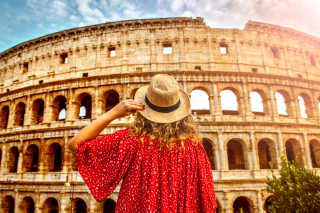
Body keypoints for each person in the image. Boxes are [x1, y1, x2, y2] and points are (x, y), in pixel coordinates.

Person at [68, 74, 217, 212]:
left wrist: (114, 112)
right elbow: (207, 199)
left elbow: (75, 144)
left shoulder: (131, 141)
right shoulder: (195, 148)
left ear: (144, 107)